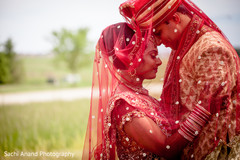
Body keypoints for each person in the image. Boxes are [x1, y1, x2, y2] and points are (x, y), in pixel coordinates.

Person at [119, 0, 240, 159]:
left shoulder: (210, 48)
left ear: (175, 19)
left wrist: (177, 152)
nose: (159, 42)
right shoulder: (186, 46)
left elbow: (212, 115)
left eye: (158, 32)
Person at [82, 22, 215, 160]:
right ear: (132, 59)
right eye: (153, 55)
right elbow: (166, 149)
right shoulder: (125, 105)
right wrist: (202, 109)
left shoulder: (137, 95)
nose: (159, 61)